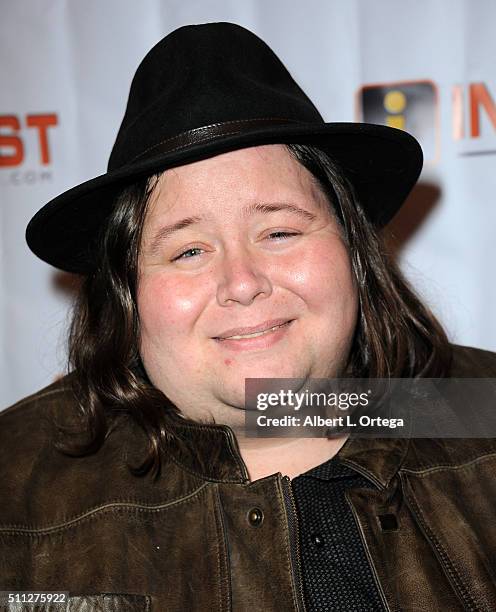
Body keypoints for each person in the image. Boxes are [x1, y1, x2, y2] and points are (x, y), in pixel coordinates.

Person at [1, 21, 496, 611]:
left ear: (353, 251)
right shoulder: (12, 489)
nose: (242, 283)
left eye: (279, 231)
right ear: (126, 293)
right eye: (187, 250)